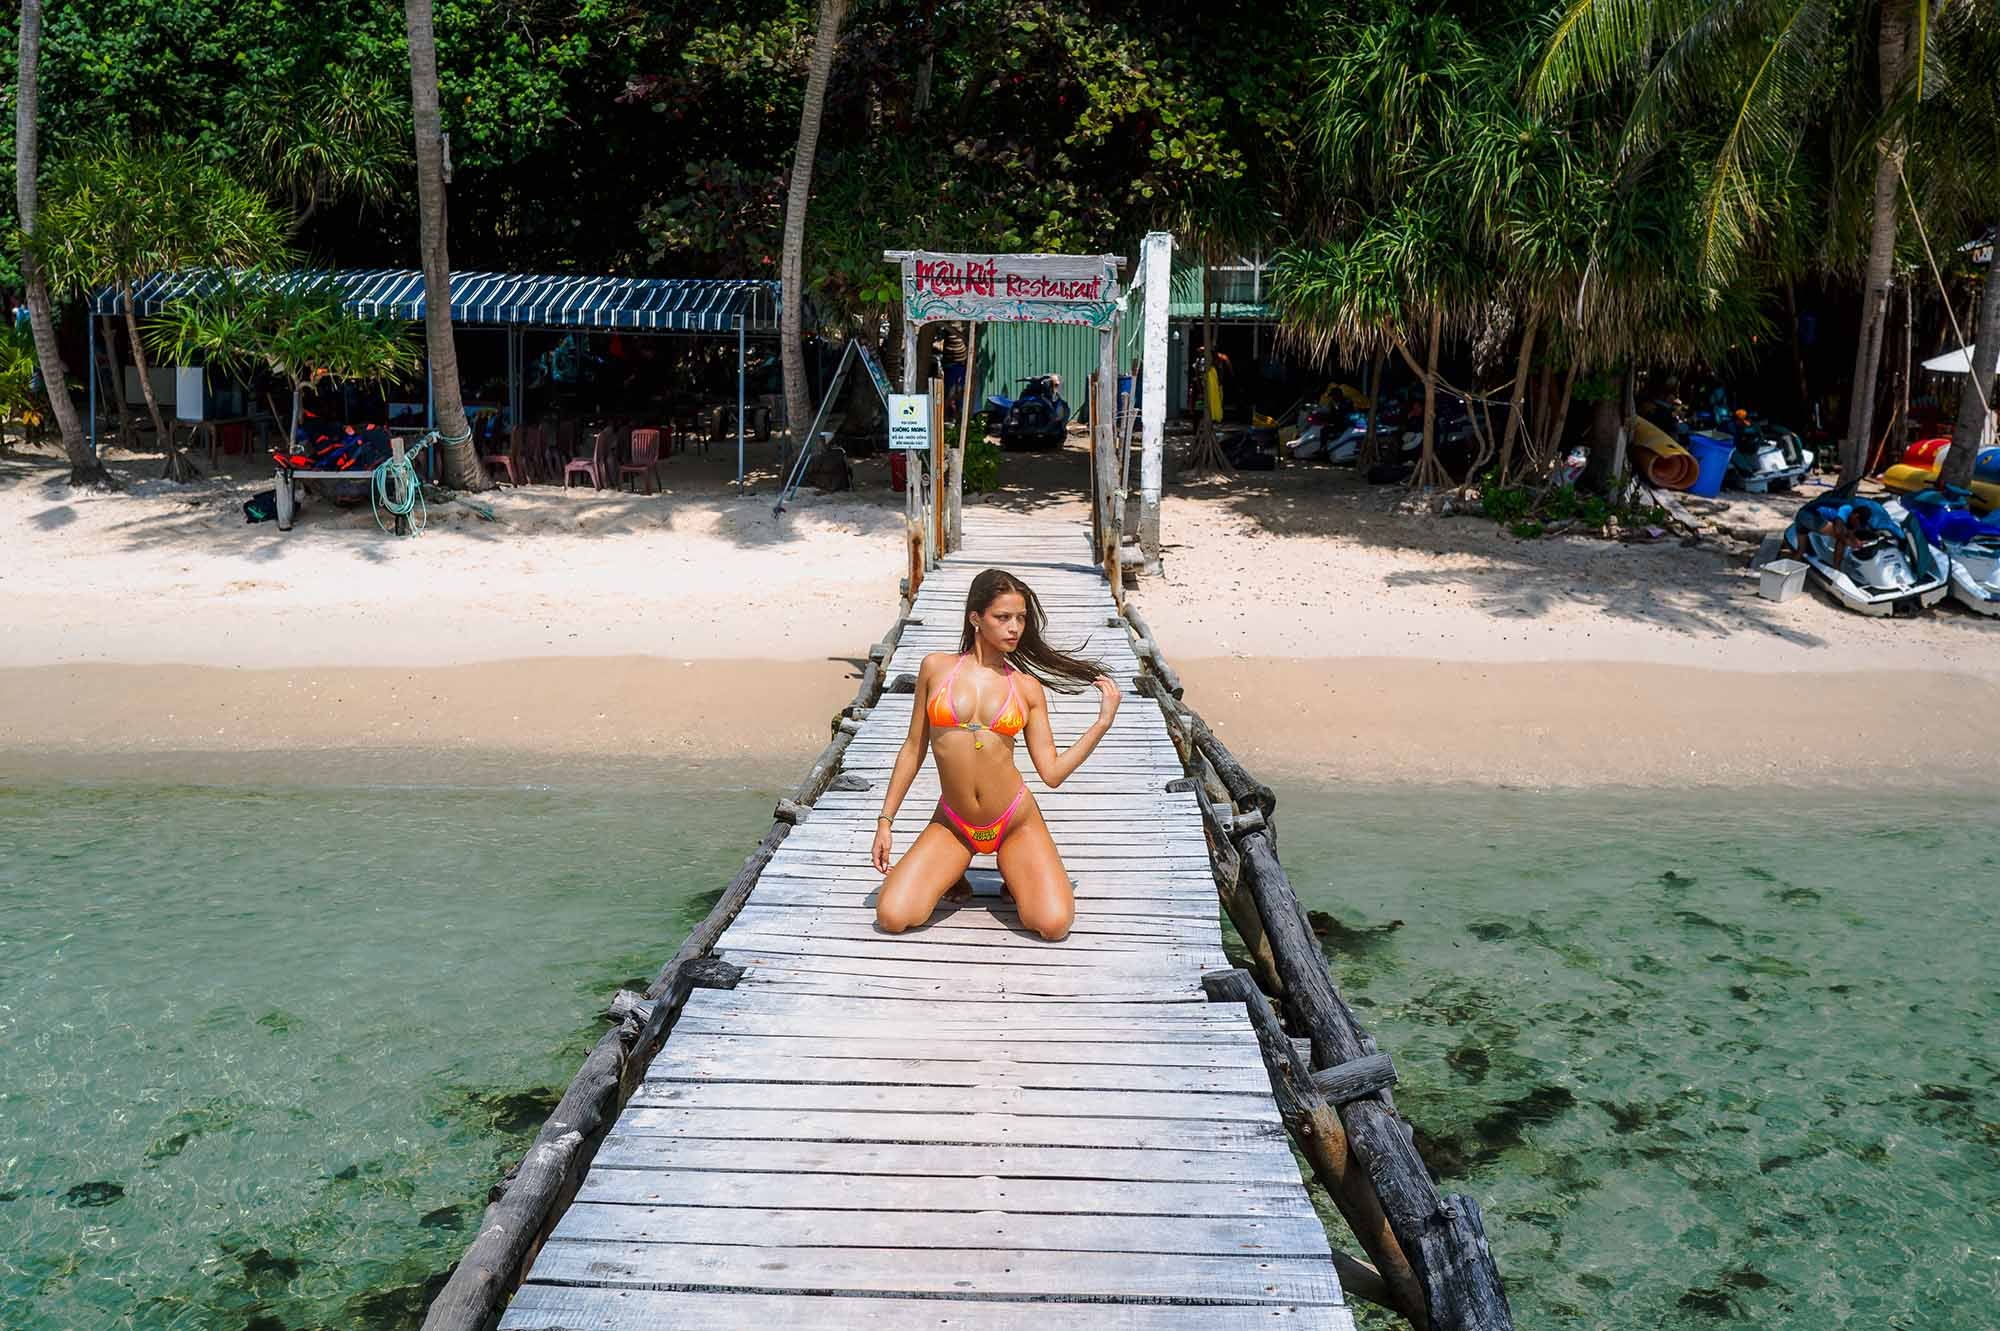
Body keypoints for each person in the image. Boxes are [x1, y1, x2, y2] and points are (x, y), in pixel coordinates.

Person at [872, 568, 1119, 942]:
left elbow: (1051, 773)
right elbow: (913, 749)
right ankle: (957, 871)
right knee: (892, 916)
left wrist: (1102, 723)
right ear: (976, 617)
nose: (1014, 628)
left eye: (1020, 618)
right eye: (1003, 617)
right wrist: (886, 821)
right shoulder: (935, 668)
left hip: (1014, 823)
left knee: (1052, 925)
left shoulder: (1025, 687)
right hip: (954, 823)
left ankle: (1015, 875)